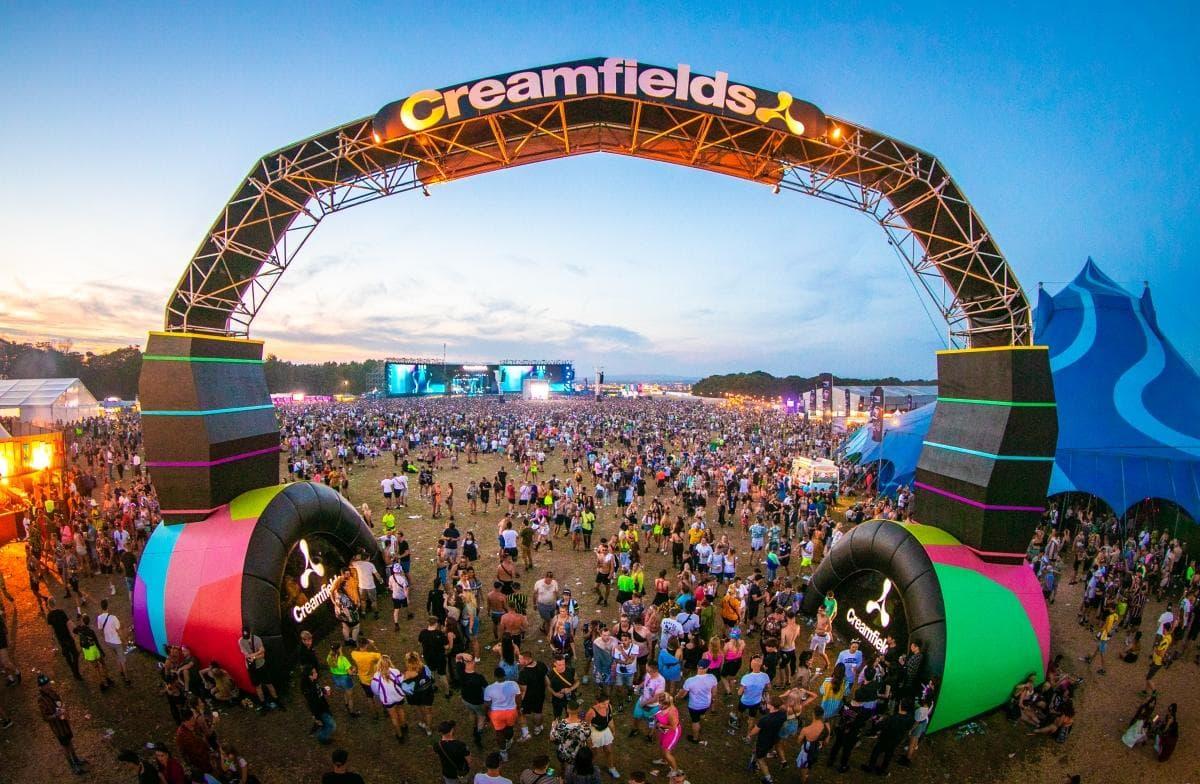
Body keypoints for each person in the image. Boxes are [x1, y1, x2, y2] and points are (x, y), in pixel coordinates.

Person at [37, 674, 87, 775]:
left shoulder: (53, 692)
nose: (47, 686)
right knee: (65, 746)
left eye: (47, 684)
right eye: (45, 685)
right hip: (58, 727)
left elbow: (60, 703)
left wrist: (64, 709)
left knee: (70, 742)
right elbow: (45, 717)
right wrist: (56, 715)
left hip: (64, 722)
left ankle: (76, 760)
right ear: (41, 687)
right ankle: (72, 766)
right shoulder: (41, 700)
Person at [862, 700, 916, 775]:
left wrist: (878, 721)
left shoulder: (892, 718)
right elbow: (908, 728)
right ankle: (882, 769)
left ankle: (870, 767)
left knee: (876, 751)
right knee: (889, 754)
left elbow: (880, 726)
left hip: (885, 738)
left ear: (900, 706)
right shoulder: (910, 719)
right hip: (896, 739)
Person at [747, 694, 787, 784]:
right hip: (774, 738)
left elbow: (755, 731)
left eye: (768, 702)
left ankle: (768, 779)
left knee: (760, 759)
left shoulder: (765, 719)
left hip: (764, 741)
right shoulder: (783, 715)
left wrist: (749, 734)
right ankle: (757, 760)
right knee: (760, 751)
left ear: (770, 705)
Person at [484, 666, 522, 760]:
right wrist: (518, 708)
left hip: (496, 714)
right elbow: (518, 697)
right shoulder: (513, 684)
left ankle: (503, 752)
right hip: (511, 711)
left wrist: (487, 715)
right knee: (510, 728)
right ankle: (509, 740)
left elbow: (487, 704)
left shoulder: (489, 688)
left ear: (495, 676)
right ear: (504, 675)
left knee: (499, 732)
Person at [371, 654, 409, 743]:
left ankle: (399, 736)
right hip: (398, 696)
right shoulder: (395, 671)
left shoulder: (376, 677)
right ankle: (404, 725)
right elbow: (402, 681)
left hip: (388, 700)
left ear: (379, 664)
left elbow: (375, 690)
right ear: (389, 662)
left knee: (394, 718)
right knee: (400, 710)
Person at [238, 627, 279, 710]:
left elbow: (262, 654)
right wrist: (258, 653)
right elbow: (248, 655)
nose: (246, 637)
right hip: (252, 668)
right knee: (258, 686)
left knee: (269, 684)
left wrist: (254, 656)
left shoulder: (257, 639)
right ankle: (264, 704)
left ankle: (276, 700)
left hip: (261, 665)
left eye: (247, 635)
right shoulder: (241, 641)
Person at [96, 598, 131, 685]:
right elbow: (119, 630)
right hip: (116, 641)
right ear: (108, 606)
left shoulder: (99, 618)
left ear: (101, 607)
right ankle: (126, 678)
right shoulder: (113, 618)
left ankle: (120, 671)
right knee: (123, 660)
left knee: (117, 655)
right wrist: (125, 640)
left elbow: (100, 630)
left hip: (108, 642)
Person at [45, 597, 82, 680]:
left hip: (60, 639)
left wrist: (52, 639)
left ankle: (73, 670)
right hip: (67, 636)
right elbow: (69, 623)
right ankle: (76, 671)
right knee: (75, 654)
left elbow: (51, 629)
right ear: (55, 603)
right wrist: (77, 629)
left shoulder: (49, 616)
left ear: (49, 605)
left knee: (68, 656)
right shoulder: (61, 612)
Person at [680, 665, 719, 742]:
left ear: (697, 667)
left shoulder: (690, 680)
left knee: (695, 721)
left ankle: (695, 738)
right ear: (707, 668)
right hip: (706, 704)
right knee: (700, 715)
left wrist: (678, 696)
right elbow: (714, 693)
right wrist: (712, 701)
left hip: (694, 706)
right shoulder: (712, 677)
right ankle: (699, 724)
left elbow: (683, 695)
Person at [301, 663, 337, 744]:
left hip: (323, 706)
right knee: (332, 726)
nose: (316, 673)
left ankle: (319, 727)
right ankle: (322, 738)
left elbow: (318, 689)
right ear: (309, 676)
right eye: (314, 672)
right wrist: (316, 717)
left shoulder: (313, 681)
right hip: (320, 710)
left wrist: (323, 691)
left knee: (327, 722)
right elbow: (312, 704)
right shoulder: (310, 691)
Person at [436, 719, 473, 784]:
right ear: (452, 730)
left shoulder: (437, 745)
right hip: (461, 771)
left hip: (447, 773)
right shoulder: (460, 745)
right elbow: (469, 760)